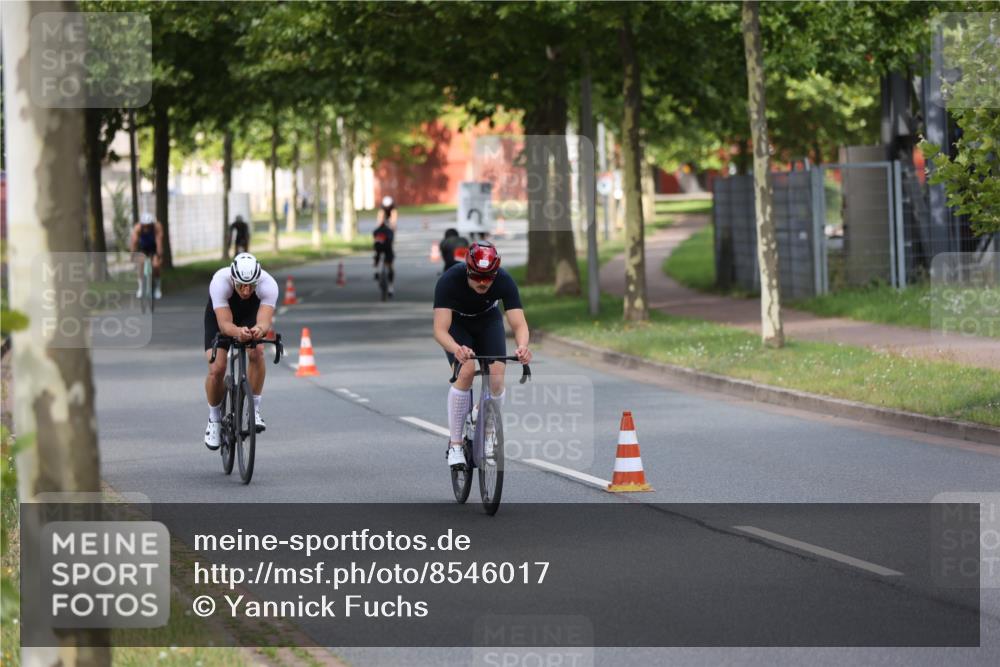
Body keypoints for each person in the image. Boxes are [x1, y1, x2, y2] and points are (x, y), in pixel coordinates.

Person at [432, 241, 532, 470]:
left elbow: (519, 324)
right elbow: (439, 330)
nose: (483, 282)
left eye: (489, 277)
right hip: (457, 324)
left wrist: (523, 347)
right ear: (468, 269)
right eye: (477, 276)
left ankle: (486, 433)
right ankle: (456, 445)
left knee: (497, 376)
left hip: (488, 321)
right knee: (466, 372)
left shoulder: (504, 280)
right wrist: (457, 348)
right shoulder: (449, 281)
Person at [202, 253, 279, 449]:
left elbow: (264, 321)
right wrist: (238, 333)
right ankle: (214, 419)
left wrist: (258, 330)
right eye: (241, 285)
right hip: (222, 315)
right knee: (217, 369)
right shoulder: (220, 282)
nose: (246, 291)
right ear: (233, 279)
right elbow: (225, 324)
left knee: (257, 351)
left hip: (249, 315)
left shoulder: (268, 284)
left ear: (257, 280)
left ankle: (253, 410)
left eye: (251, 285)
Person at [129, 211, 164, 299]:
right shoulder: (137, 228)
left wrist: (159, 256)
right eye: (144, 226)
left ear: (152, 224)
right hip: (143, 247)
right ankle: (140, 288)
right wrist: (133, 255)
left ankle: (157, 288)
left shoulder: (157, 227)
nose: (146, 228)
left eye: (148, 226)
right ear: (141, 224)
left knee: (156, 266)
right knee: (140, 264)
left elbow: (159, 242)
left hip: (153, 247)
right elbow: (134, 242)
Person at [372, 213, 395, 297]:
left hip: (378, 249)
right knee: (390, 267)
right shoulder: (390, 231)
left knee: (377, 255)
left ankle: (376, 271)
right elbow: (392, 241)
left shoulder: (376, 230)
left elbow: (374, 238)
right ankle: (391, 287)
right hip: (388, 250)